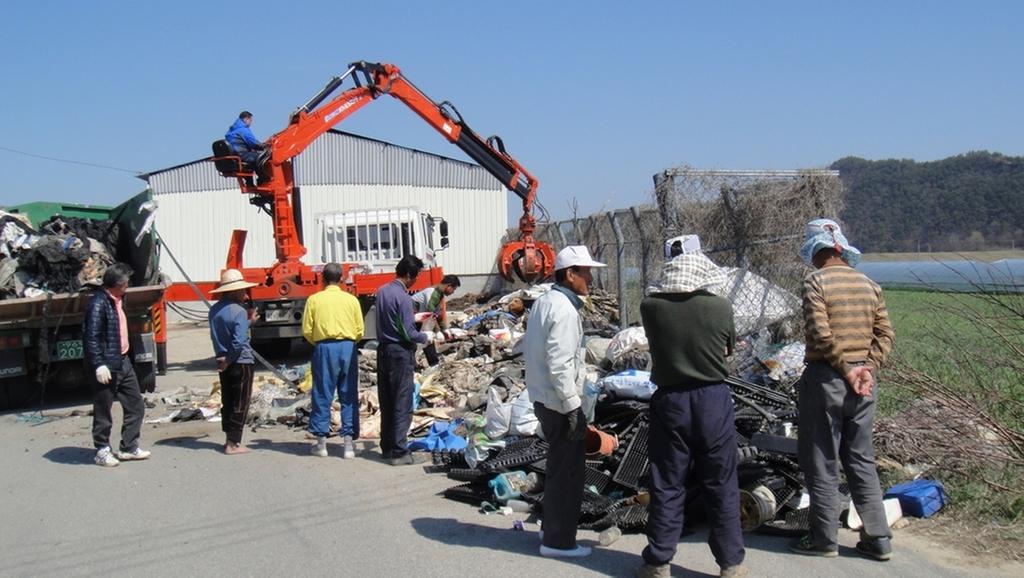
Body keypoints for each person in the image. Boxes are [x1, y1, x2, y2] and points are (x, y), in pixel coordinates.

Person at [635, 239, 747, 578]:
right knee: (721, 482)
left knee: (667, 482)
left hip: (670, 401)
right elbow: (728, 349)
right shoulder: (720, 306)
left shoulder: (650, 306)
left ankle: (658, 561)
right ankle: (730, 564)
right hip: (713, 399)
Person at [789, 218, 895, 561]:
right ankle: (878, 538)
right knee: (861, 458)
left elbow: (821, 333)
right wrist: (867, 368)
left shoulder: (815, 283)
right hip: (864, 382)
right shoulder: (869, 284)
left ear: (814, 250)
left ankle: (824, 539)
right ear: (841, 248)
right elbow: (886, 334)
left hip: (827, 379)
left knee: (822, 460)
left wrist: (846, 370)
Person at [523, 245, 605, 559]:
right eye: (586, 273)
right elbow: (559, 364)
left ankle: (552, 528)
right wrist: (573, 407)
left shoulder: (546, 302)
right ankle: (558, 541)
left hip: (545, 398)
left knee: (559, 468)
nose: (590, 280)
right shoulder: (563, 309)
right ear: (570, 275)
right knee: (568, 472)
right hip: (559, 403)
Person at [375, 255, 441, 465]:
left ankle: (387, 447)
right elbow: (408, 333)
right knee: (402, 401)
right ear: (410, 274)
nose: (416, 281)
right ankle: (400, 452)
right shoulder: (403, 297)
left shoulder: (382, 291)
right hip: (400, 352)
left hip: (383, 350)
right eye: (416, 276)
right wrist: (426, 337)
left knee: (387, 400)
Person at [84, 263, 150, 467]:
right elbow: (91, 337)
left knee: (135, 404)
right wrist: (98, 365)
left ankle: (128, 447)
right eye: (126, 283)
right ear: (117, 284)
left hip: (123, 361)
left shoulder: (119, 299)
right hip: (107, 364)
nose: (128, 286)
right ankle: (102, 450)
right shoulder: (98, 304)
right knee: (104, 408)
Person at [302, 263, 364, 459]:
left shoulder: (314, 300)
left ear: (322, 279)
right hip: (347, 346)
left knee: (322, 392)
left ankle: (321, 444)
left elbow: (307, 330)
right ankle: (348, 445)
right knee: (348, 393)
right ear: (342, 279)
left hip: (324, 347)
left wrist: (320, 342)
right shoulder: (351, 300)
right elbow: (359, 329)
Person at [208, 268, 259, 455]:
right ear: (235, 291)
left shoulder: (214, 310)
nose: (245, 294)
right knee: (241, 402)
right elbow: (238, 341)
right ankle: (233, 443)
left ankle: (228, 438)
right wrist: (229, 360)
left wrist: (249, 322)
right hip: (240, 361)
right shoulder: (238, 311)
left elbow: (219, 335)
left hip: (222, 360)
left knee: (228, 400)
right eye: (242, 290)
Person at [411, 274, 460, 366]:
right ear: (448, 286)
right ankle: (411, 366)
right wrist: (437, 331)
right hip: (412, 318)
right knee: (412, 343)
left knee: (428, 339)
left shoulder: (439, 296)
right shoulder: (431, 293)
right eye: (453, 289)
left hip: (421, 318)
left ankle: (434, 363)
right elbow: (431, 313)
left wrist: (445, 329)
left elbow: (439, 315)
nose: (453, 292)